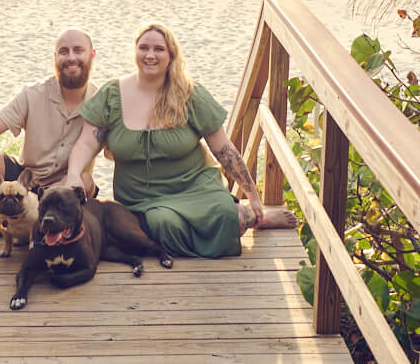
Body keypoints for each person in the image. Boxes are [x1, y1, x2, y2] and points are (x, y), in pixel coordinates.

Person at [64, 22, 295, 258]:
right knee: (163, 225)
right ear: (135, 52)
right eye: (144, 48)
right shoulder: (112, 94)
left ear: (171, 55)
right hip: (143, 198)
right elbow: (86, 142)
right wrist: (73, 174)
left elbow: (224, 149)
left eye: (159, 49)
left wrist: (253, 195)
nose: (150, 55)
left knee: (229, 218)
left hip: (195, 186)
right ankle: (233, 218)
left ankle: (256, 215)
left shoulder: (189, 94)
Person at [0, 27, 98, 263]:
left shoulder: (101, 102)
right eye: (63, 52)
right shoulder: (33, 95)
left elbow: (119, 149)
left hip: (65, 187)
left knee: (84, 181)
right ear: (55, 58)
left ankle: (8, 226)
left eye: (78, 51)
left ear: (92, 55)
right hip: (26, 182)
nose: (71, 58)